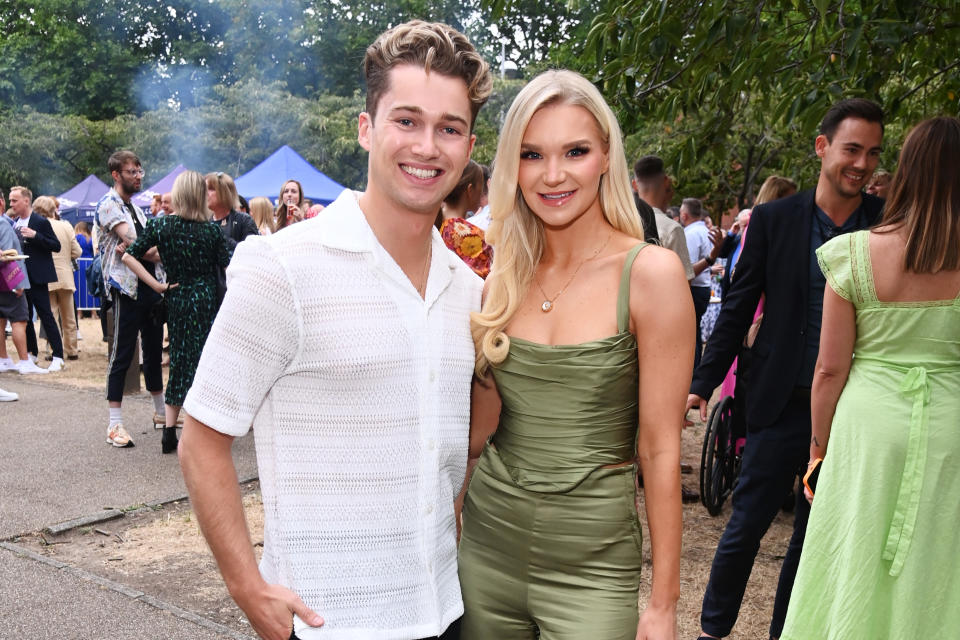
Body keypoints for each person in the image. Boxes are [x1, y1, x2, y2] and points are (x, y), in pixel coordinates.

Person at [179, 20, 491, 640]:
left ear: (468, 144)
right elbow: (202, 437)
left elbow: (454, 455)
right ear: (366, 128)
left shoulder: (471, 291)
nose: (428, 146)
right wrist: (248, 586)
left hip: (445, 611)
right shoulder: (283, 268)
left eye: (448, 128)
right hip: (329, 622)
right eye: (406, 120)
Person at [460, 69, 688, 640]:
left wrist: (663, 604)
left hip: (595, 566)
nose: (554, 174)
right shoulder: (502, 277)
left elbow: (660, 449)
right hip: (486, 551)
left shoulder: (650, 274)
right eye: (533, 155)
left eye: (576, 151)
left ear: (606, 156)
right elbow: (477, 438)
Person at [687, 98, 886, 640]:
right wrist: (702, 383)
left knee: (812, 535)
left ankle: (786, 631)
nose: (862, 164)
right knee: (746, 525)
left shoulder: (885, 226)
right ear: (822, 148)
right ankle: (712, 628)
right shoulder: (775, 220)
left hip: (849, 409)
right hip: (778, 399)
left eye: (872, 153)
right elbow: (736, 307)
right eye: (851, 149)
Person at [780, 116, 960, 639]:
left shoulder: (855, 254)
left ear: (907, 171)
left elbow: (829, 369)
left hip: (867, 431)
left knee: (851, 558)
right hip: (950, 427)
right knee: (938, 563)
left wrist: (818, 451)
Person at [120, 171, 230, 454]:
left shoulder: (162, 226)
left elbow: (129, 255)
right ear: (200, 195)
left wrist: (158, 285)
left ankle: (169, 431)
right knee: (207, 360)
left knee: (180, 359)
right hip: (205, 300)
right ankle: (204, 430)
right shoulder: (212, 230)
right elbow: (228, 266)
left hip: (178, 297)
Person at [95, 150, 166, 449]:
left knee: (152, 350)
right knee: (122, 354)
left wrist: (155, 251)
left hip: (148, 286)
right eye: (131, 172)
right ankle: (114, 425)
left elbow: (145, 247)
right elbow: (139, 246)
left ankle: (161, 413)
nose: (138, 177)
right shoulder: (109, 205)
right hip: (126, 289)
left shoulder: (134, 209)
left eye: (139, 171)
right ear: (116, 174)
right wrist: (161, 251)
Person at [8, 186, 64, 372]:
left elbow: (55, 245)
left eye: (14, 200)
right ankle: (31, 353)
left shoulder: (40, 221)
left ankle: (58, 356)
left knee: (46, 315)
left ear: (26, 200)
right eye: (10, 200)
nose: (11, 204)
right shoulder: (15, 222)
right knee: (25, 317)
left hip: (38, 277)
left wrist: (35, 236)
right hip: (21, 277)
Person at [32, 196, 81, 360]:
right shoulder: (66, 226)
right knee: (69, 317)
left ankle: (55, 349)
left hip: (46, 276)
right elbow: (78, 252)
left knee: (50, 316)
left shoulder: (37, 226)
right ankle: (72, 350)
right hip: (66, 276)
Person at [633, 155, 694, 280]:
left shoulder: (622, 222)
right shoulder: (671, 229)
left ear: (634, 185)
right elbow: (683, 283)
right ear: (666, 181)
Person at [679, 197, 722, 368]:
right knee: (694, 333)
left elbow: (688, 270)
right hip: (703, 287)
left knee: (690, 335)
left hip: (694, 289)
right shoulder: (705, 231)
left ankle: (692, 371)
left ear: (684, 215)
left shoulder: (690, 234)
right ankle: (695, 369)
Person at [437, 160, 493, 278]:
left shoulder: (438, 223)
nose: (482, 193)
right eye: (480, 187)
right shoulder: (464, 232)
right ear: (470, 190)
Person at [0, 216, 40, 377]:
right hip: (7, 280)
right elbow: (9, 255)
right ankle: (24, 360)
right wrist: (16, 282)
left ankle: (3, 359)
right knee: (19, 320)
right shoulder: (2, 223)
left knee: (1, 320)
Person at [205, 172, 259, 251]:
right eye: (205, 189)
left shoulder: (244, 220)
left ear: (225, 193)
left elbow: (252, 252)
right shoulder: (206, 223)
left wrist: (221, 237)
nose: (206, 193)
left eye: (211, 189)